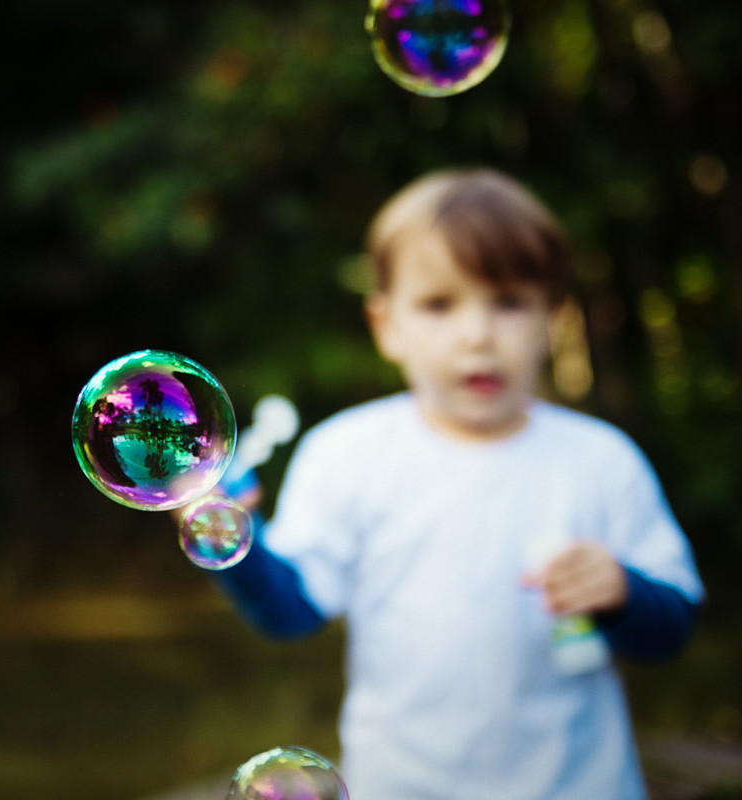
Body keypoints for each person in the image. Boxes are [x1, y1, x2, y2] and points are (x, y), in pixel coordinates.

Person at [208, 167, 704, 799]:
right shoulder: (345, 454)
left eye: (509, 303)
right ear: (387, 325)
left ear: (552, 320)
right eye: (439, 305)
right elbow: (291, 612)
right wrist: (235, 542)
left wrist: (622, 593)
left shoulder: (600, 461)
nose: (478, 336)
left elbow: (673, 629)